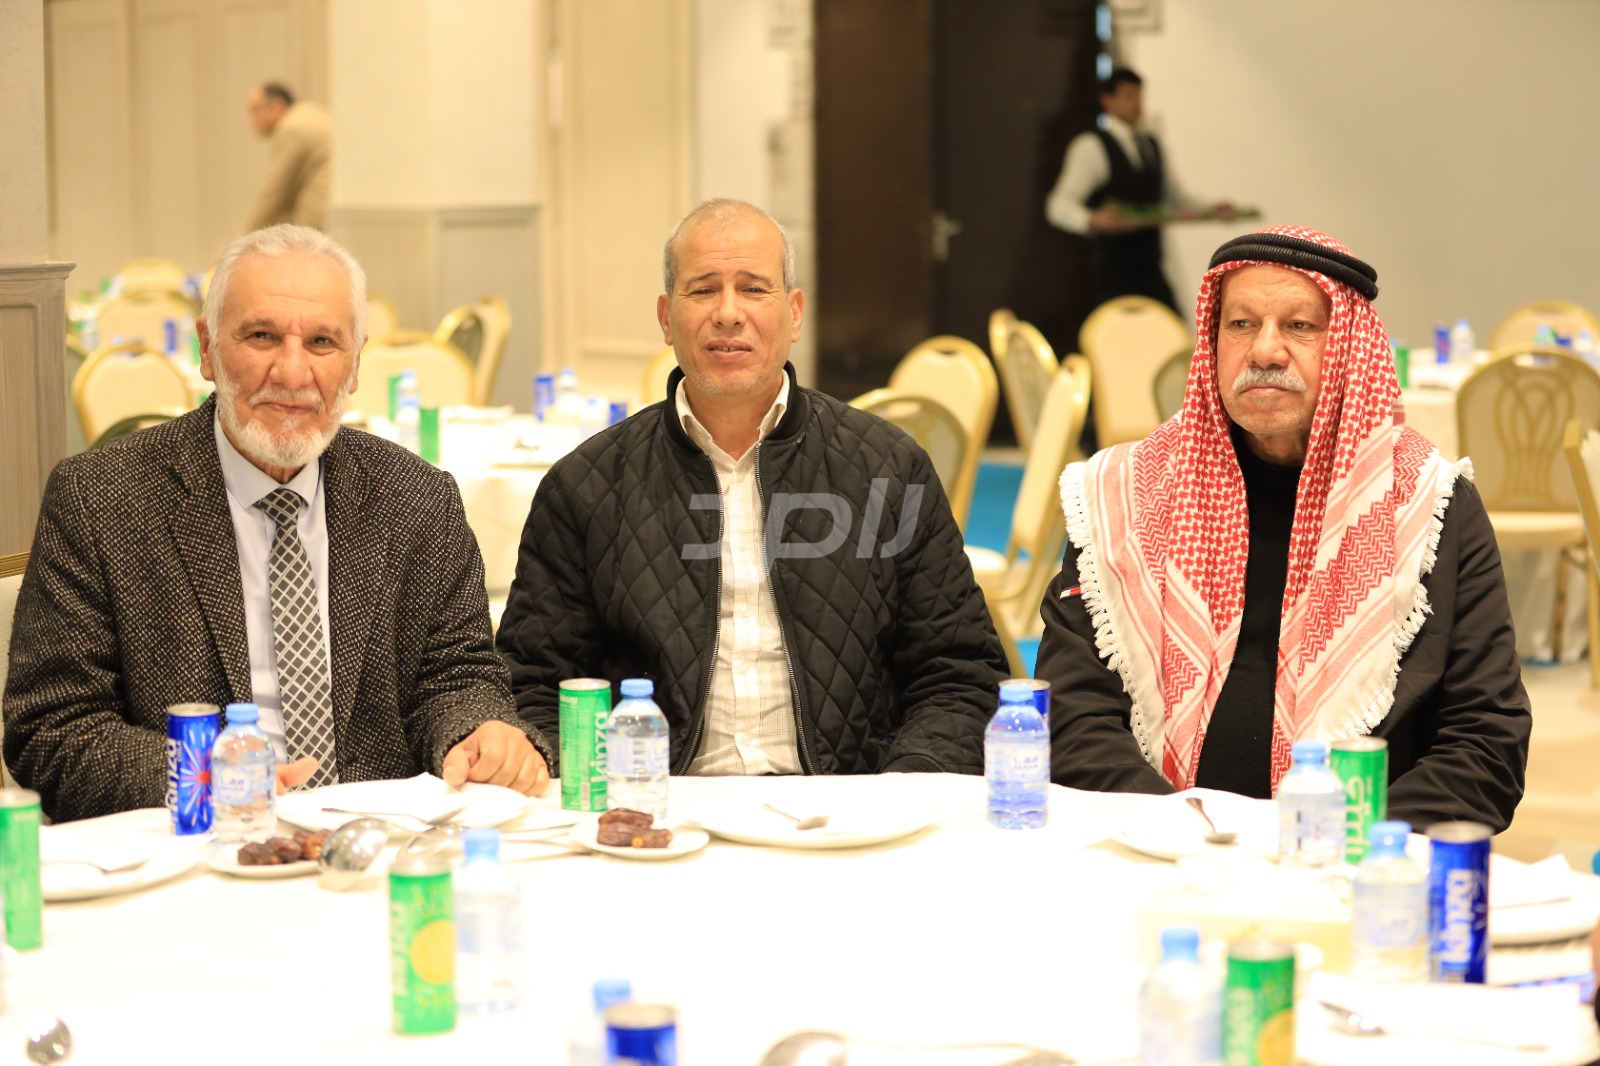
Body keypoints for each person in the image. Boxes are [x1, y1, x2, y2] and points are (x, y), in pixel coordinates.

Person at [3, 225, 549, 822]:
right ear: (207, 349)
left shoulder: (417, 498)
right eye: (262, 336)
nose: (292, 373)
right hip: (202, 847)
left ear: (356, 364)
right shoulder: (102, 498)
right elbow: (51, 729)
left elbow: (457, 677)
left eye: (321, 342)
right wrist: (210, 775)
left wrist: (478, 731)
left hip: (382, 844)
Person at [1036, 225, 1530, 832]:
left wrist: (1332, 840)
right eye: (1241, 324)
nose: (1265, 350)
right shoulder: (1125, 493)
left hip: (1350, 860)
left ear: (1348, 347)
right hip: (1156, 847)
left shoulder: (1429, 506)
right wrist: (1179, 829)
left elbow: (1485, 743)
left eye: (1300, 326)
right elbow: (1072, 714)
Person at [496, 199, 1007, 777]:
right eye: (703, 290)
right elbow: (531, 686)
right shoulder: (585, 485)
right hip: (658, 804)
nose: (728, 313)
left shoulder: (888, 467)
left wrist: (898, 789)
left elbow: (959, 676)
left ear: (794, 313)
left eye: (754, 289)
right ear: (666, 317)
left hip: (848, 804)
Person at [1045, 67, 1232, 312]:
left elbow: (1175, 198)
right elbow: (1058, 206)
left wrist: (1211, 210)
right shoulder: (1091, 146)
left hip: (1151, 266)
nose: (1136, 103)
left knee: (1170, 327)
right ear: (1108, 101)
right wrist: (1092, 219)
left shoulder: (1151, 145)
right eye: (1128, 96)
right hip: (1112, 272)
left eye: (1139, 95)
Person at [244, 82, 332, 232]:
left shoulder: (291, 128)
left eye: (255, 110)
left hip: (322, 226)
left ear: (276, 107)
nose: (251, 121)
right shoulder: (310, 114)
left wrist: (245, 239)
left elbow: (273, 195)